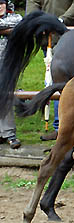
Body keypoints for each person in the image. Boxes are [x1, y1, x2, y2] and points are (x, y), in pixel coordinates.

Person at [26, 0, 74, 141]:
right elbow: (32, 3)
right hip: (47, 37)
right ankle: (61, 127)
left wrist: (60, 20)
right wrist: (38, 21)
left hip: (72, 36)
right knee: (55, 81)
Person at [0, 0, 22, 149]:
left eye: (1, 3)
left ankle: (8, 133)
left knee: (6, 95)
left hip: (7, 64)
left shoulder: (15, 18)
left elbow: (20, 25)